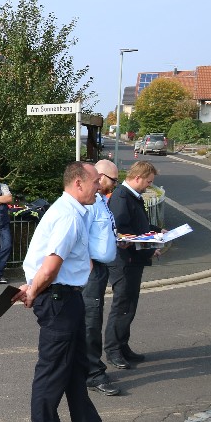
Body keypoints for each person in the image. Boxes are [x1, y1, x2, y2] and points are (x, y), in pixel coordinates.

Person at [14, 161, 125, 422]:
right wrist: (34, 291)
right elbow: (51, 266)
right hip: (58, 300)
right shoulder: (69, 217)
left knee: (76, 370)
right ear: (78, 183)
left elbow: (47, 264)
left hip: (66, 297)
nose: (99, 187)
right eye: (95, 182)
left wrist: (33, 287)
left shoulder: (72, 212)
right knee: (52, 371)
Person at [104, 160, 161, 370]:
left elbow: (138, 225)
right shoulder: (121, 197)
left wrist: (157, 232)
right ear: (138, 178)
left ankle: (122, 345)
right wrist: (149, 243)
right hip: (124, 261)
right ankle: (113, 350)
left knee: (129, 306)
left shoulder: (130, 195)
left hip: (132, 259)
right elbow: (121, 232)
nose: (149, 185)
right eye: (148, 181)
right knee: (122, 305)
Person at [83, 160, 123, 396]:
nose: (114, 185)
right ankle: (93, 374)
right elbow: (79, 234)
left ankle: (88, 370)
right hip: (91, 271)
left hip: (99, 268)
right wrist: (87, 263)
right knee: (91, 322)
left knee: (93, 318)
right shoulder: (89, 203)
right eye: (113, 180)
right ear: (99, 177)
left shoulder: (100, 200)